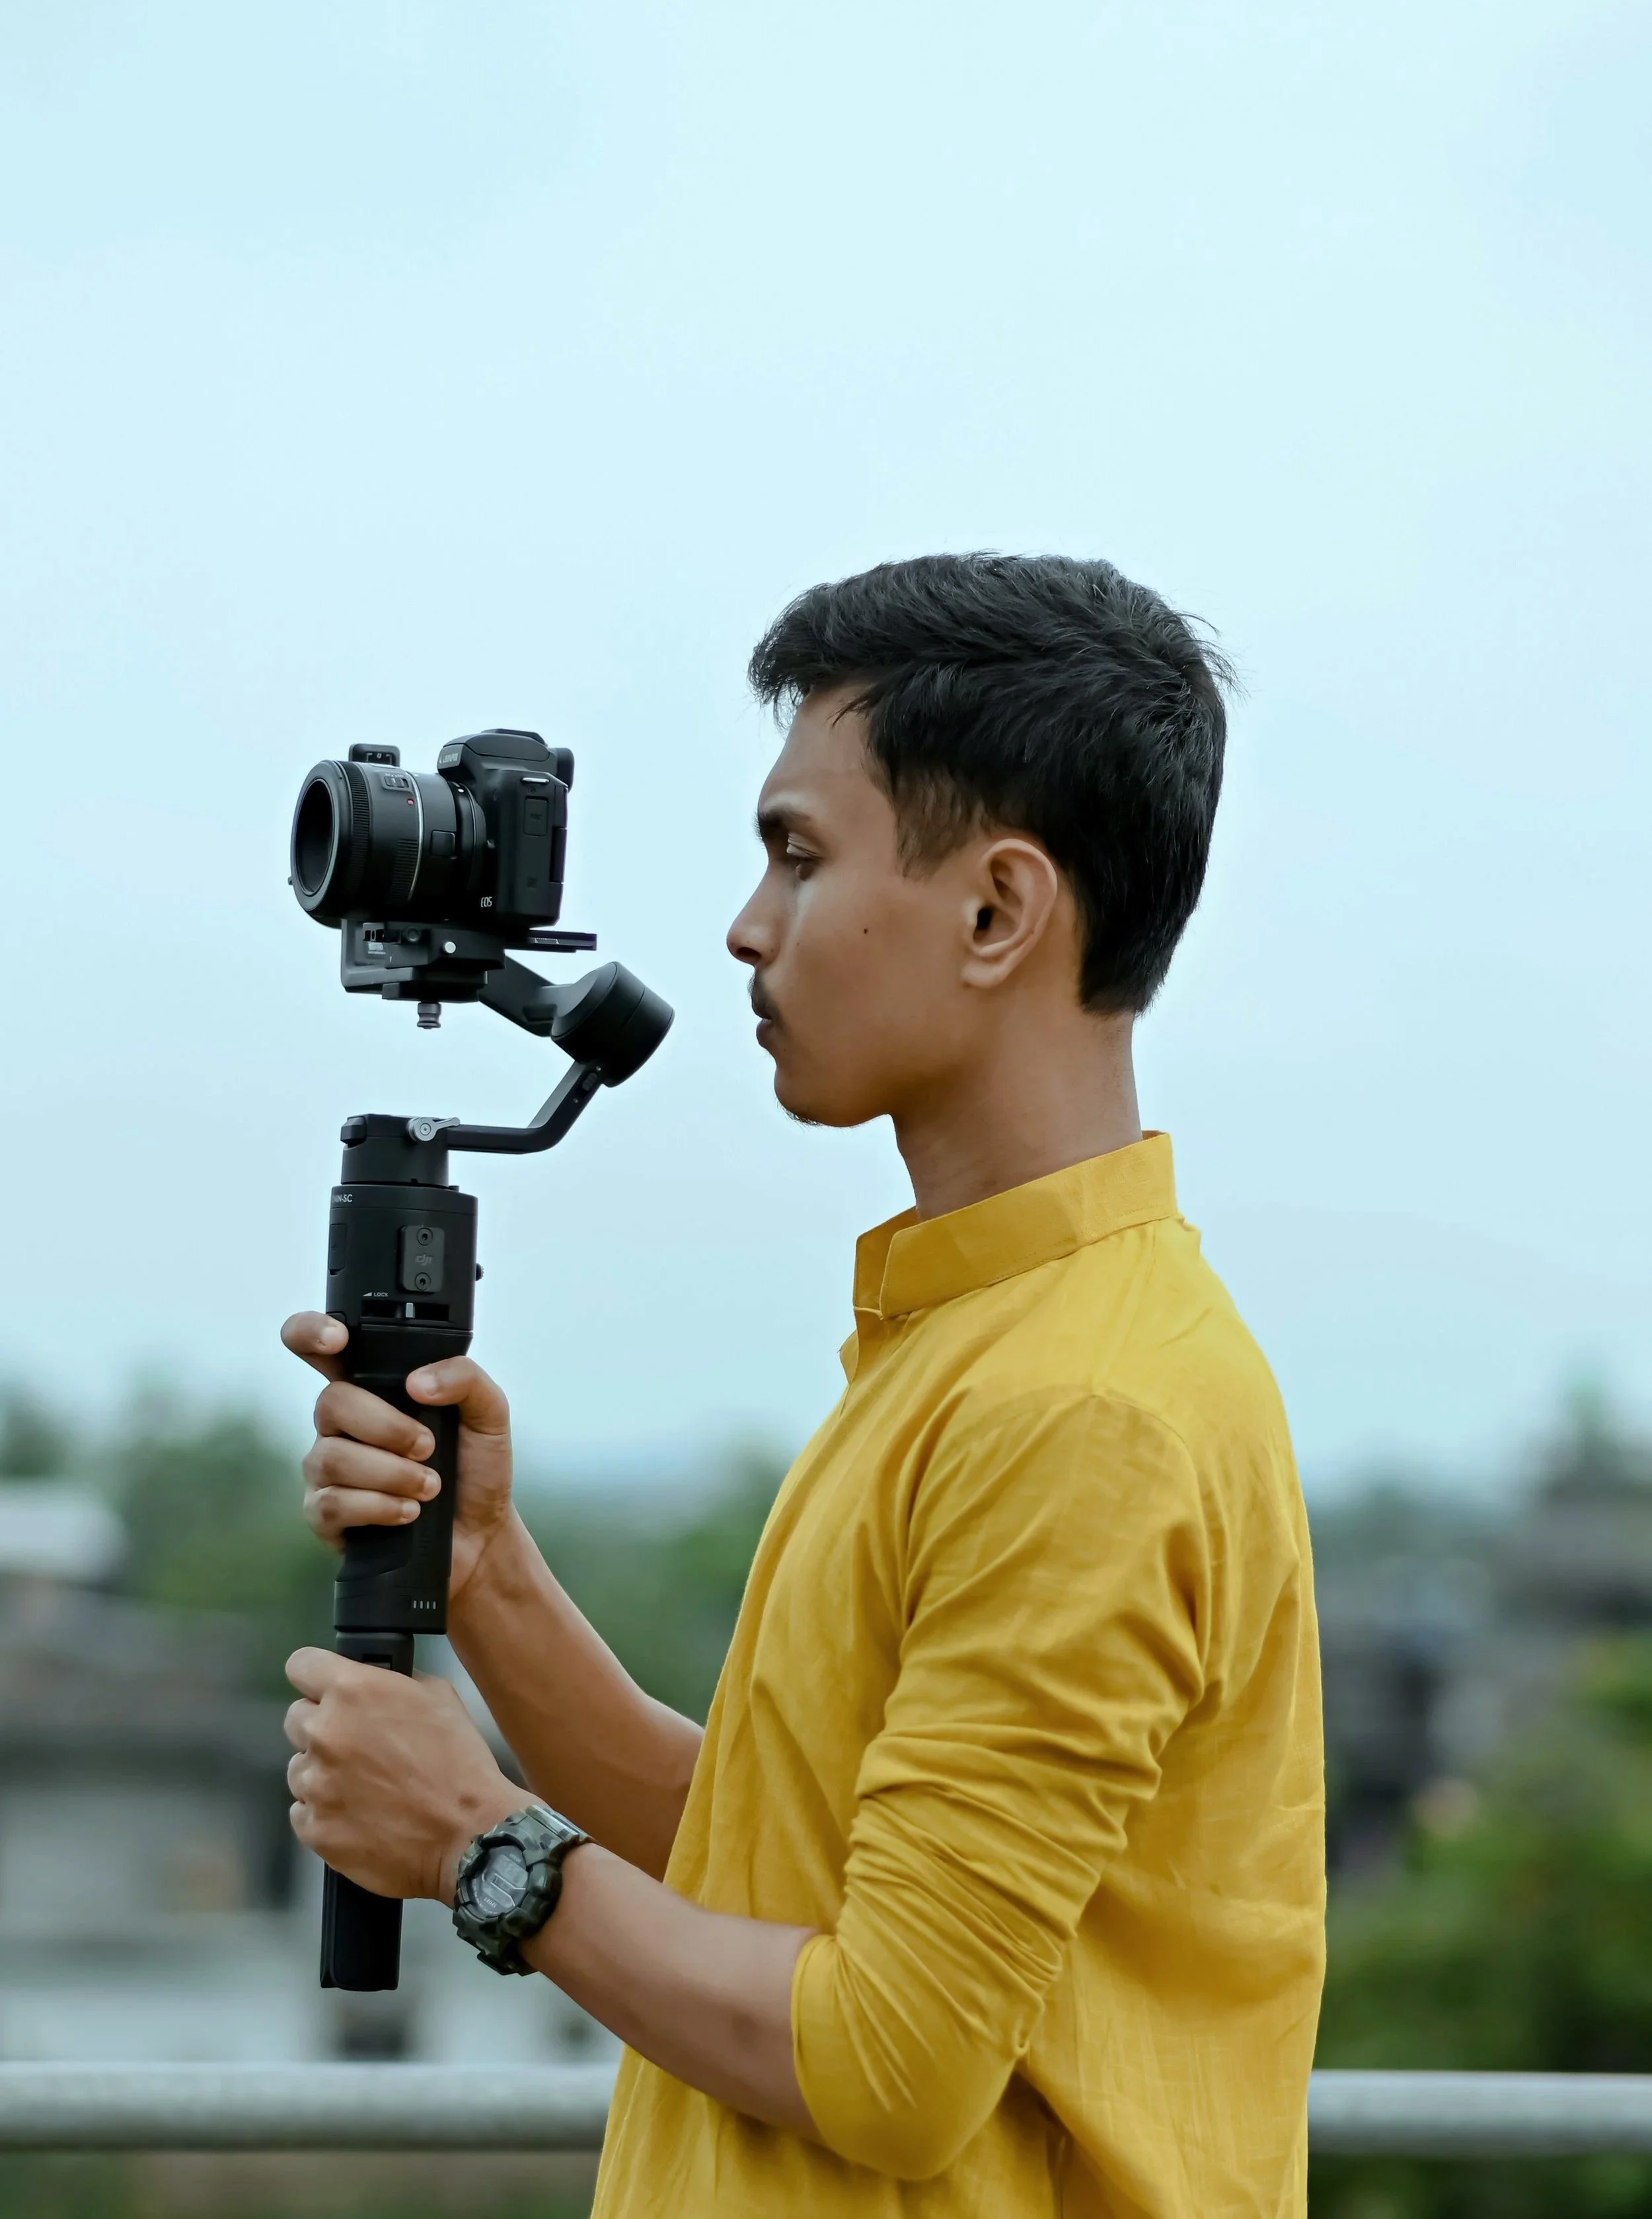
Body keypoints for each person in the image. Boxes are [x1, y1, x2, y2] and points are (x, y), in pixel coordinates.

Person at [282, 552, 1324, 2218]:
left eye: (797, 854)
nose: (746, 923)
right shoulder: (977, 1340)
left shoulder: (1080, 1408)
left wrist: (485, 1847)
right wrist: (486, 1578)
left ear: (995, 910)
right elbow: (779, 1861)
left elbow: (891, 2063)